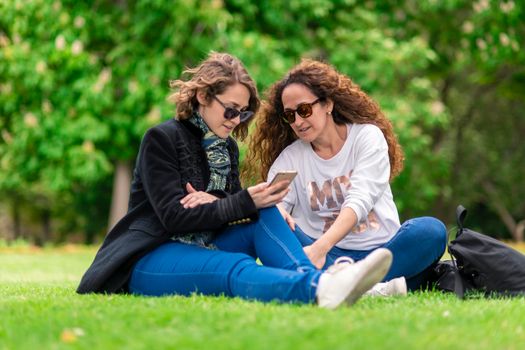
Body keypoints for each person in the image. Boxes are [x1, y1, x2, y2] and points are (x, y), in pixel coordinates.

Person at [76, 52, 394, 309]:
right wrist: (242, 202)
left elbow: (228, 211)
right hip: (153, 255)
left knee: (267, 212)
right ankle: (322, 287)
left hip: (207, 243)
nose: (236, 121)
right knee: (235, 267)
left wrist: (230, 203)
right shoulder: (162, 139)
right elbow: (174, 218)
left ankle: (328, 282)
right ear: (202, 95)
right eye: (230, 110)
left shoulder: (226, 147)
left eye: (242, 113)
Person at [244, 59, 447, 293]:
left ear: (328, 104)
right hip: (327, 258)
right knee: (265, 216)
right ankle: (379, 288)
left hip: (381, 253)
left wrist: (321, 247)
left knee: (431, 231)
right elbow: (272, 205)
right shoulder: (290, 159)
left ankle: (343, 285)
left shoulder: (366, 137)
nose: (298, 121)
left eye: (304, 110)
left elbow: (359, 199)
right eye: (290, 115)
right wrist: (277, 209)